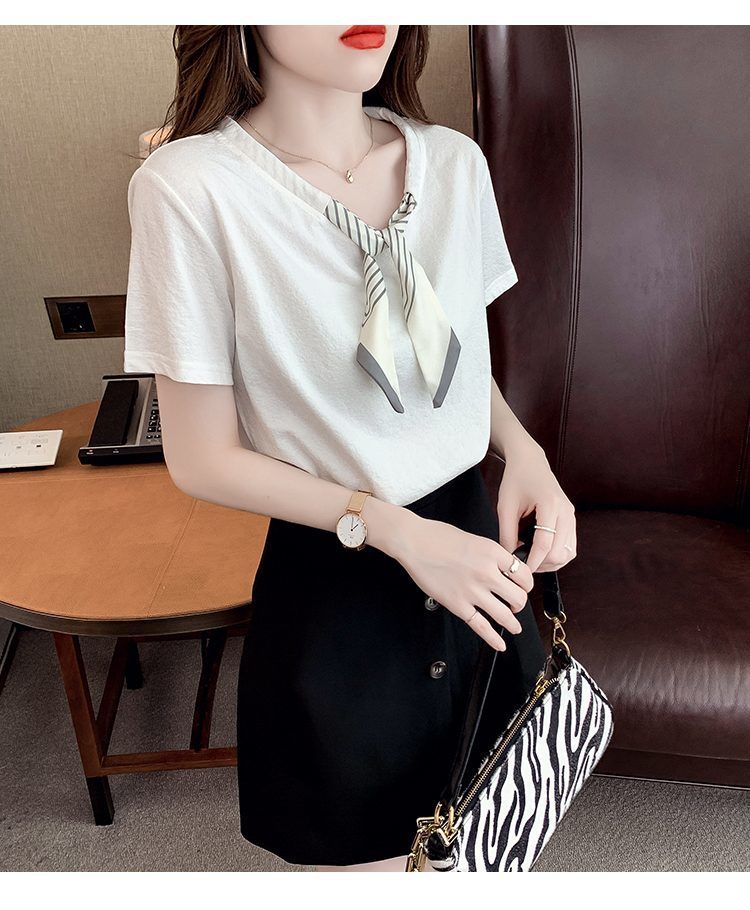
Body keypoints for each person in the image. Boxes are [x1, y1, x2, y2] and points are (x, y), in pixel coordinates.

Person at [123, 24, 577, 873]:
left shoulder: (454, 163)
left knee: (495, 828)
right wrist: (398, 532)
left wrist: (525, 453)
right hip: (339, 575)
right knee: (369, 857)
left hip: (473, 549)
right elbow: (202, 458)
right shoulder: (189, 188)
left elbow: (451, 363)